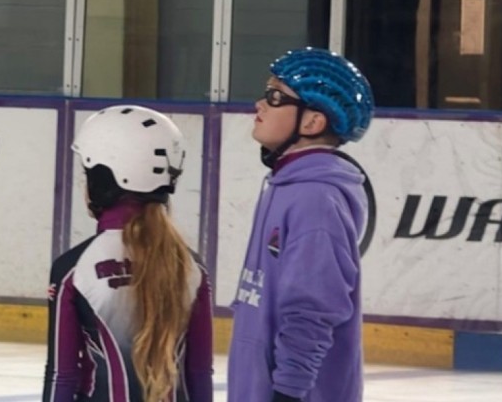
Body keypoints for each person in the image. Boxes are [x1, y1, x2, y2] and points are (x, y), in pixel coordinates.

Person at [227, 47, 375, 402]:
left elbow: (312, 308)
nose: (259, 105)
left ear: (312, 122)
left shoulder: (315, 200)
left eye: (275, 96)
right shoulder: (284, 185)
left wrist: (288, 393)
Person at [43, 105, 213, 401]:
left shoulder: (73, 269)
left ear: (103, 180)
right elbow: (199, 374)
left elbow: (62, 375)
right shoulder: (192, 267)